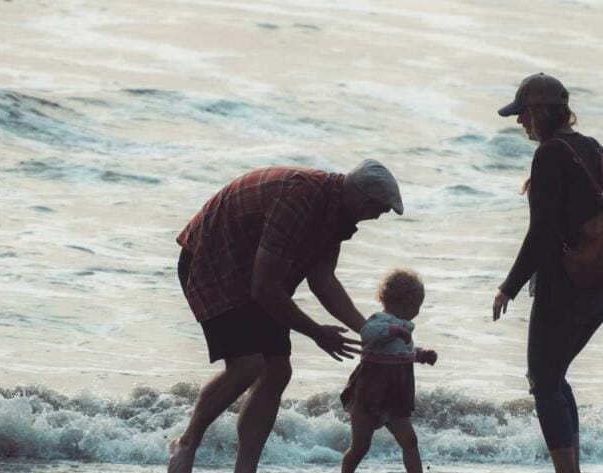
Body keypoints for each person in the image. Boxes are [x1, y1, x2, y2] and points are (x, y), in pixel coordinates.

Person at [168, 159, 405, 473]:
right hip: (214, 258)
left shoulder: (337, 213)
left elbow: (323, 279)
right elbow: (264, 289)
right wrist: (317, 332)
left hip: (258, 272)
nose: (378, 216)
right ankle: (187, 442)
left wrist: (368, 330)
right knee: (247, 366)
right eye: (380, 209)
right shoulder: (300, 200)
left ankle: (245, 468)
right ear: (362, 200)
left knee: (277, 370)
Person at [491, 73, 603, 473]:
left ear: (540, 113)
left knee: (544, 379)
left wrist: (508, 288)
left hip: (565, 286)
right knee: (555, 376)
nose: (518, 122)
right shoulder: (593, 149)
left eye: (522, 114)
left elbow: (542, 233)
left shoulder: (550, 154)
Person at [340, 268, 438, 473]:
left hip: (395, 399)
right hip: (369, 396)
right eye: (417, 306)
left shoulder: (404, 327)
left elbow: (403, 352)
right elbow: (367, 333)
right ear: (405, 303)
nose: (418, 312)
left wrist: (421, 355)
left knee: (410, 441)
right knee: (360, 447)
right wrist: (394, 331)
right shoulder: (379, 320)